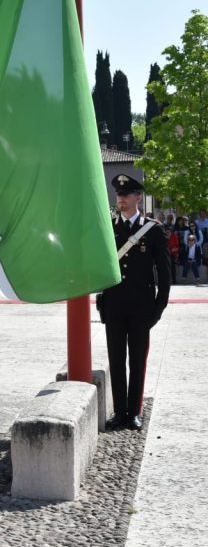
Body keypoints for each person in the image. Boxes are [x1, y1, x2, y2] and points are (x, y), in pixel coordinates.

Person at [100, 174, 170, 431]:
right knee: (116, 360)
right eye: (118, 195)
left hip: (142, 307)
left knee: (137, 360)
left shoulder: (153, 230)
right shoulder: (110, 228)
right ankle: (120, 412)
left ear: (138, 197)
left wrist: (159, 307)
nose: (121, 199)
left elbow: (164, 272)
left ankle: (134, 412)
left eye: (126, 195)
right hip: (115, 305)